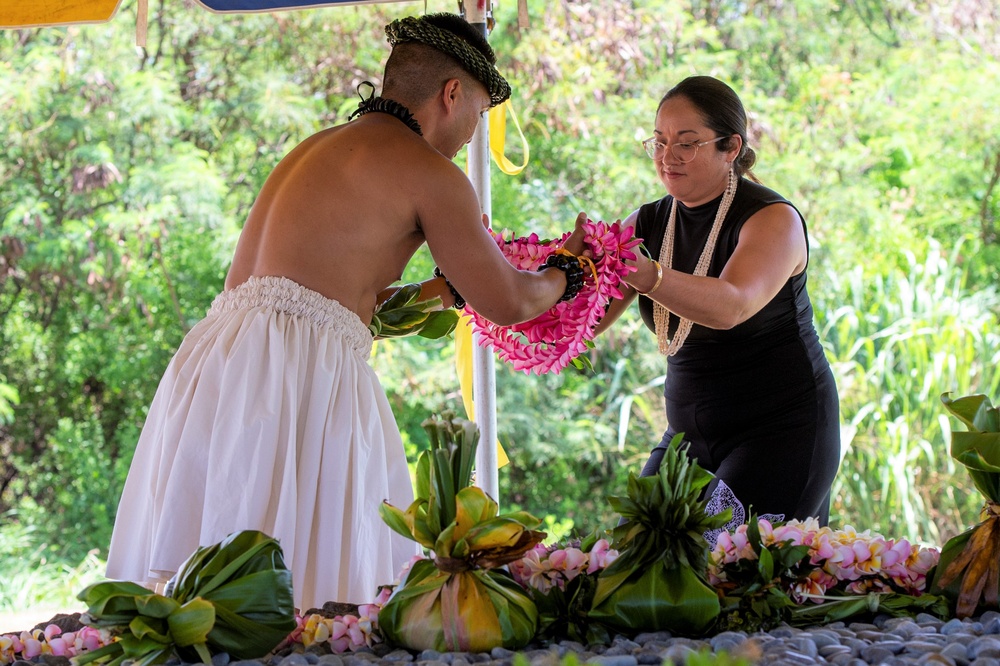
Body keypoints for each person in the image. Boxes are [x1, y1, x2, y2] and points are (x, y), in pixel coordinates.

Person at [106, 13, 587, 610]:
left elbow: (340, 304)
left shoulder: (314, 148)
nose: (471, 136)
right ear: (452, 93)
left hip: (218, 362)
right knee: (293, 595)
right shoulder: (430, 173)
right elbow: (510, 301)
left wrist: (446, 290)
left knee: (208, 599)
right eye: (478, 116)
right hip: (295, 376)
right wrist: (567, 273)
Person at [594, 75, 841, 532]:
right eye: (660, 141)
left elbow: (731, 305)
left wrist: (650, 276)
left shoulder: (772, 219)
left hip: (780, 432)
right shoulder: (646, 221)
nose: (668, 157)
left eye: (687, 144)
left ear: (730, 147)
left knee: (729, 579)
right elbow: (588, 317)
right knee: (634, 557)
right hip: (688, 437)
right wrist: (493, 269)